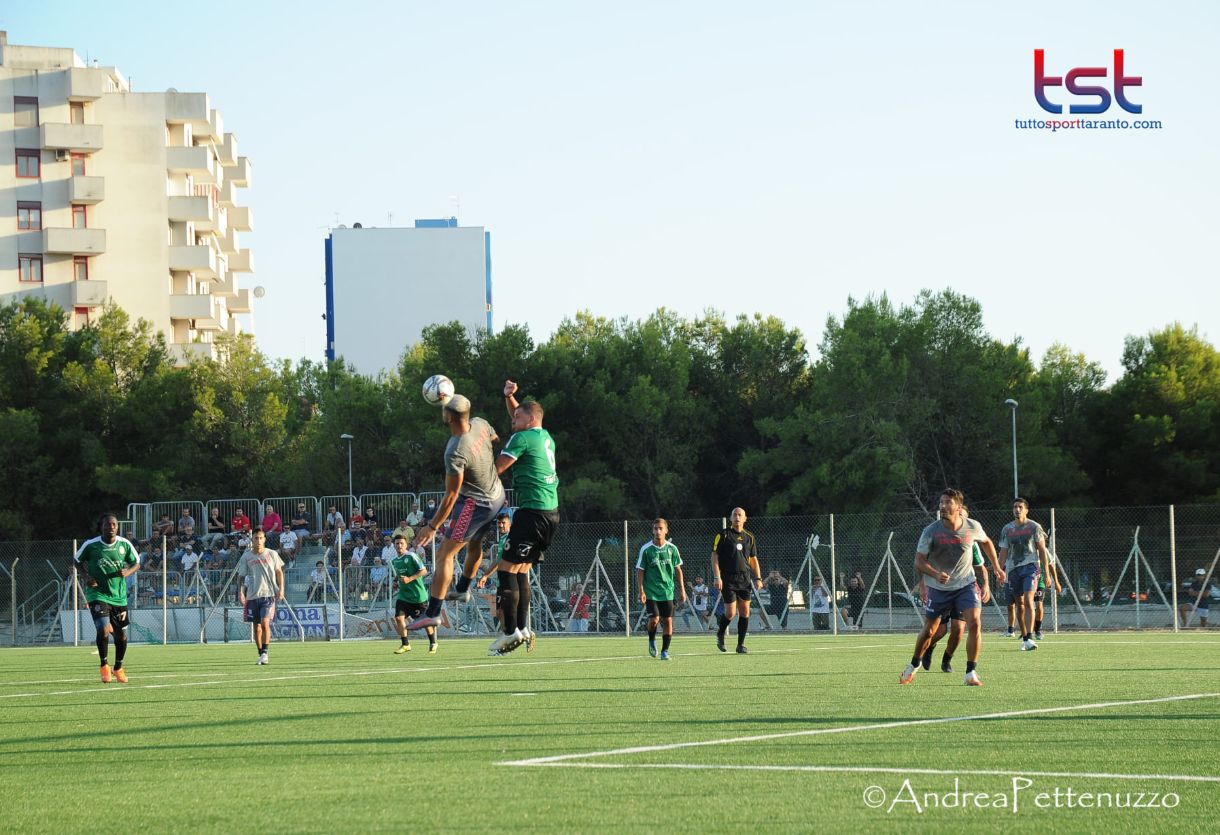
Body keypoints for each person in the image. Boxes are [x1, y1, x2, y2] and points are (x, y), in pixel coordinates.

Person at [409, 394, 508, 635]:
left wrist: (432, 527)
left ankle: (432, 614)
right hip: (497, 495)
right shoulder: (481, 423)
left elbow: (451, 496)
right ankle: (463, 587)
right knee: (475, 542)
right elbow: (495, 438)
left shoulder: (455, 450)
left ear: (449, 416)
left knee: (445, 553)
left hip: (475, 505)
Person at [901, 488, 1005, 687]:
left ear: (958, 507)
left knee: (974, 623)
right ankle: (914, 664)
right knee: (930, 631)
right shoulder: (931, 531)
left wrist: (998, 568)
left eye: (948, 502)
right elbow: (919, 561)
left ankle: (971, 672)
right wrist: (935, 574)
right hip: (938, 588)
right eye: (941, 502)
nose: (943, 506)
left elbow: (987, 542)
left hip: (966, 584)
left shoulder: (972, 526)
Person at [487, 380, 560, 656]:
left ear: (529, 419)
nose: (511, 420)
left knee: (506, 569)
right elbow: (523, 416)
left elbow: (498, 469)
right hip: (551, 513)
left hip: (532, 512)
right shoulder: (543, 436)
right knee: (520, 570)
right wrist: (511, 398)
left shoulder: (521, 438)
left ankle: (510, 632)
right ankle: (523, 628)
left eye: (516, 417)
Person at [74, 512, 140, 683]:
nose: (111, 527)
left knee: (121, 636)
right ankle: (104, 665)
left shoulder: (124, 544)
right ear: (101, 527)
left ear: (117, 527)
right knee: (103, 629)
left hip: (118, 596)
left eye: (114, 525)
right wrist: (86, 577)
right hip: (97, 593)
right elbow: (76, 561)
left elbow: (137, 563)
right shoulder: (91, 545)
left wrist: (128, 571)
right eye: (107, 525)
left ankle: (118, 667)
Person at [998, 497, 1053, 652]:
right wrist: (999, 570)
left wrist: (1047, 573)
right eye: (1015, 507)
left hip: (1030, 568)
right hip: (1013, 569)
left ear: (1026, 510)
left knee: (1029, 601)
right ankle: (1025, 639)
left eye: (1020, 507)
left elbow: (1042, 551)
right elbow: (1003, 551)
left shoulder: (1034, 527)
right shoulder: (1007, 529)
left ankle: (1029, 636)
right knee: (1019, 605)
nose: (1017, 509)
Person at [711, 508, 761, 654]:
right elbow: (714, 556)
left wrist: (758, 578)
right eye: (734, 515)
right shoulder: (723, 535)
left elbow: (753, 559)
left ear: (745, 518)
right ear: (731, 518)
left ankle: (741, 644)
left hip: (744, 579)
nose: (737, 517)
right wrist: (717, 576)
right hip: (728, 578)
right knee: (731, 612)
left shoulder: (749, 537)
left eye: (740, 515)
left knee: (745, 611)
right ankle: (720, 633)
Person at [636, 518, 686, 660]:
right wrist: (641, 590)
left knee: (668, 620)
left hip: (667, 591)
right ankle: (651, 640)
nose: (658, 531)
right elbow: (640, 570)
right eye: (655, 528)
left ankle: (665, 651)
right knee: (654, 619)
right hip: (651, 591)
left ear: (666, 530)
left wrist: (682, 589)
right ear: (652, 530)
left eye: (660, 528)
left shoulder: (672, 548)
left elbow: (678, 569)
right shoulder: (646, 549)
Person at [236, 527, 285, 666]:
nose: (258, 540)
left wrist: (281, 589)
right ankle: (260, 653)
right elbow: (241, 576)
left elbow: (279, 572)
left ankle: (265, 652)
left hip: (268, 594)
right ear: (252, 540)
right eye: (256, 538)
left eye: (261, 538)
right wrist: (241, 592)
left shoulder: (272, 554)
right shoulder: (246, 557)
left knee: (265, 623)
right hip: (252, 596)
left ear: (265, 539)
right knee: (256, 627)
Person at [389, 534, 437, 655]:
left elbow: (424, 570)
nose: (399, 545)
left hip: (417, 596)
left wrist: (410, 579)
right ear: (394, 545)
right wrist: (395, 582)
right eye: (397, 543)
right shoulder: (394, 561)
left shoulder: (412, 556)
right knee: (399, 618)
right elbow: (399, 575)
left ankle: (433, 642)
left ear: (406, 545)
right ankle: (405, 644)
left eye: (401, 543)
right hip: (403, 596)